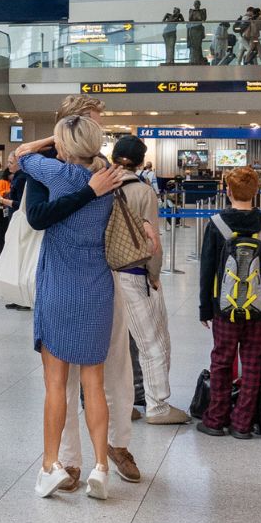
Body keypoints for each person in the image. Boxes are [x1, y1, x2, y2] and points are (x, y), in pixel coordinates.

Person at [17, 115, 120, 500]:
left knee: (55, 384)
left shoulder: (54, 174)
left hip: (60, 287)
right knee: (95, 382)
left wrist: (54, 140)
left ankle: (50, 465)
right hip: (97, 287)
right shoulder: (108, 178)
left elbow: (22, 154)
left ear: (63, 146)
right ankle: (101, 468)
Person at [198, 167, 261, 439]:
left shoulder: (217, 224)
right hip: (259, 309)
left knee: (222, 360)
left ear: (227, 191)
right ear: (257, 191)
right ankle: (243, 423)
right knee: (253, 362)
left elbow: (207, 269)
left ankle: (215, 419)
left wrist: (205, 307)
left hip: (224, 308)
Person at [109, 137, 189, 425]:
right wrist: (154, 275)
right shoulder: (142, 191)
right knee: (154, 343)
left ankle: (118, 404)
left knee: (114, 347)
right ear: (141, 161)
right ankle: (157, 406)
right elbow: (151, 241)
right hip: (133, 274)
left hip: (103, 276)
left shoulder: (96, 185)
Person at [187, 0, 208, 65]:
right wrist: (194, 12)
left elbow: (204, 19)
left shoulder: (202, 11)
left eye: (198, 4)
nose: (196, 5)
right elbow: (190, 19)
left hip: (198, 28)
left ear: (200, 4)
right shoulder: (191, 11)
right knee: (193, 45)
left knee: (198, 45)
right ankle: (194, 59)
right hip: (192, 29)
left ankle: (198, 58)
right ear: (194, 5)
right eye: (195, 4)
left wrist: (199, 12)